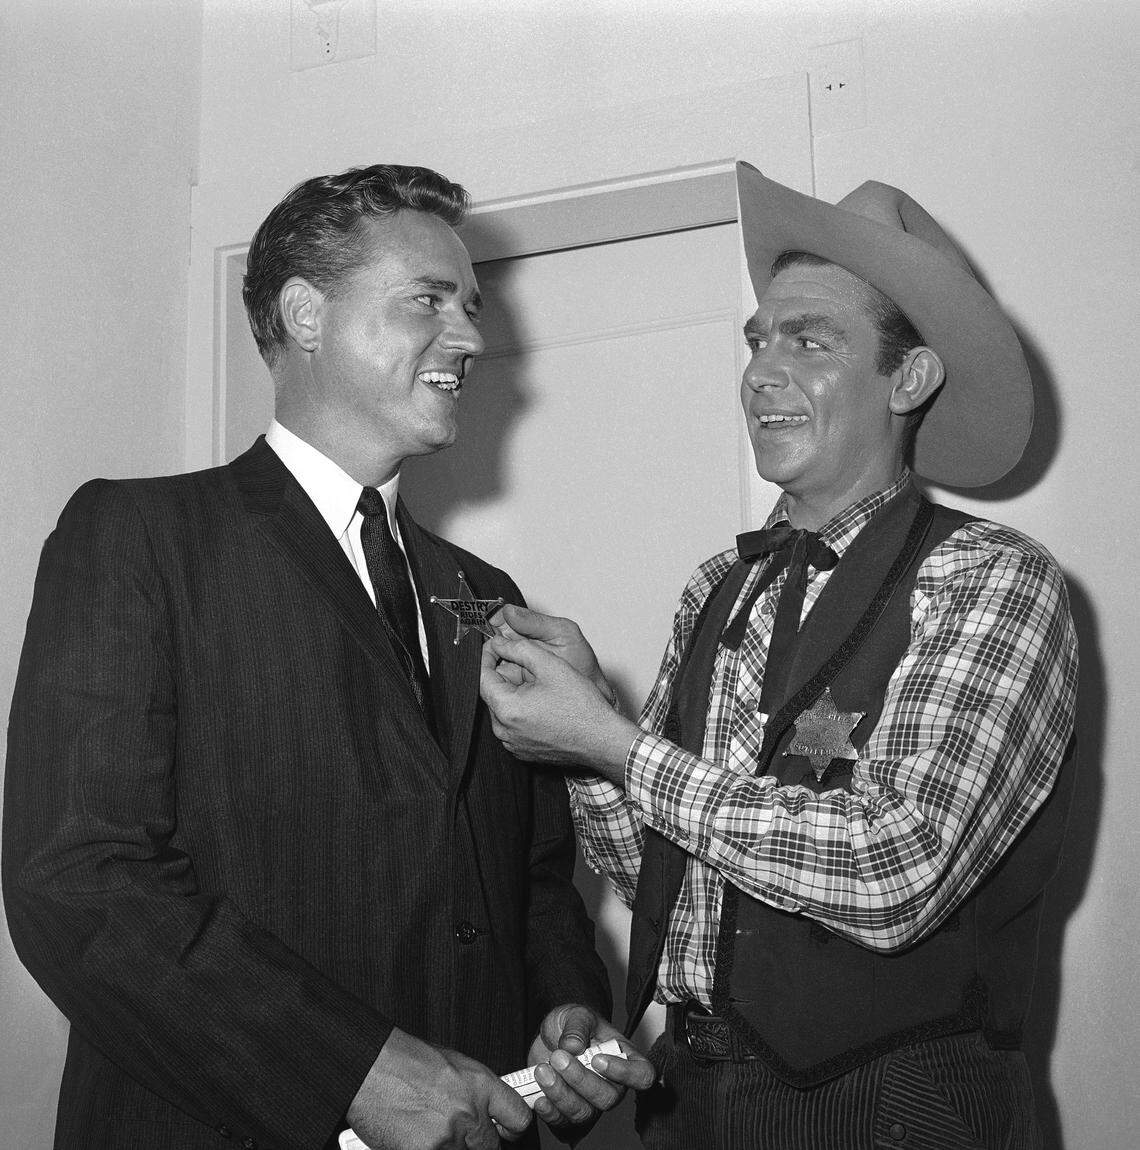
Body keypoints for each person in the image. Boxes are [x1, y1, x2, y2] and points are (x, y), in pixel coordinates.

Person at [3, 164, 653, 1150]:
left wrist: (561, 1011)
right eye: (428, 301)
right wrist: (353, 1072)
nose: (473, 337)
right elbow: (81, 879)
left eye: (471, 307)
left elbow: (533, 880)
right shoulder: (138, 537)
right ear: (306, 314)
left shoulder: (489, 600)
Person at [479, 161, 1078, 1150]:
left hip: (900, 1112)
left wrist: (617, 745)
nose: (761, 371)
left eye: (811, 339)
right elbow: (670, 879)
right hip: (693, 1104)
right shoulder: (720, 586)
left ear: (910, 376)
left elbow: (898, 866)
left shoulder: (991, 579)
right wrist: (585, 742)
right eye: (760, 339)